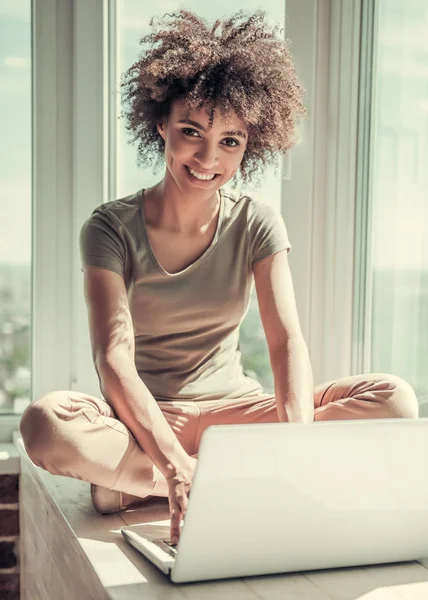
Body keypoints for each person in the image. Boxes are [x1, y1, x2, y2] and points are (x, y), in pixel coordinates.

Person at [20, 10, 419, 545]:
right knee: (46, 424)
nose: (209, 157)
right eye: (192, 132)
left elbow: (284, 340)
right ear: (161, 123)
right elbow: (113, 359)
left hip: (237, 414)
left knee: (395, 400)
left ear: (250, 144)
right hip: (147, 419)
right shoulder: (109, 227)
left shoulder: (256, 220)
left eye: (231, 141)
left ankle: (150, 482)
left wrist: (296, 444)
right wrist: (173, 460)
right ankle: (203, 478)